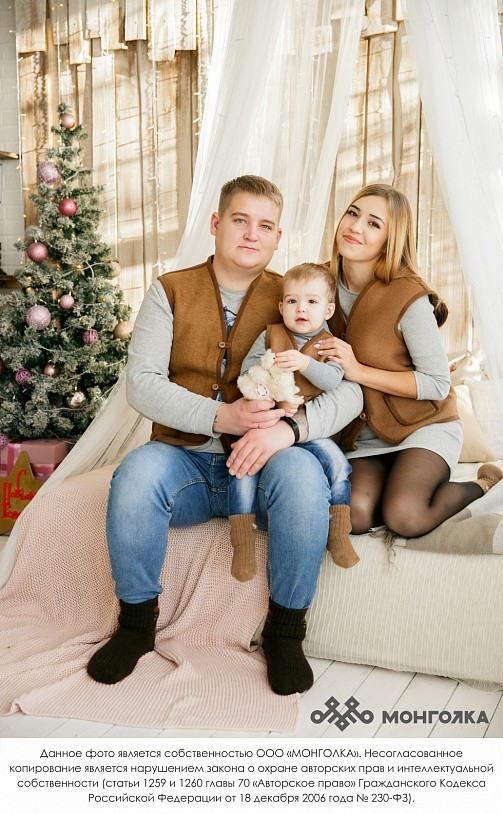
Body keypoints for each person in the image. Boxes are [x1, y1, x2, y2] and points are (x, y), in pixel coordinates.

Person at [86, 175, 364, 696]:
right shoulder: (169, 290)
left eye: (265, 226)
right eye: (240, 220)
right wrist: (223, 417)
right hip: (185, 460)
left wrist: (291, 430)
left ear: (278, 237)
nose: (252, 234)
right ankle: (137, 625)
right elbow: (142, 384)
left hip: (267, 465)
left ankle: (285, 632)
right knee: (135, 476)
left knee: (304, 477)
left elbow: (349, 392)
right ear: (216, 224)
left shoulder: (298, 296)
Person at [313, 182, 503, 539]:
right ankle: (392, 484)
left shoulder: (408, 296)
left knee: (406, 516)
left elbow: (437, 384)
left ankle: (483, 483)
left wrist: (357, 370)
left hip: (423, 427)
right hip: (363, 437)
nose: (355, 226)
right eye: (352, 214)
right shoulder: (315, 284)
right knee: (353, 516)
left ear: (390, 240)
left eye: (373, 223)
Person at [227, 262, 358, 583]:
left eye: (312, 302)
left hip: (309, 428)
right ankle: (242, 542)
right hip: (267, 422)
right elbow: (247, 373)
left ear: (328, 310)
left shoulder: (328, 344)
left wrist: (305, 363)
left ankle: (339, 532)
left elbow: (333, 380)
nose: (301, 309)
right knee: (242, 469)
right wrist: (270, 389)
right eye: (292, 301)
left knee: (338, 465)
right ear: (281, 307)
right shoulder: (271, 335)